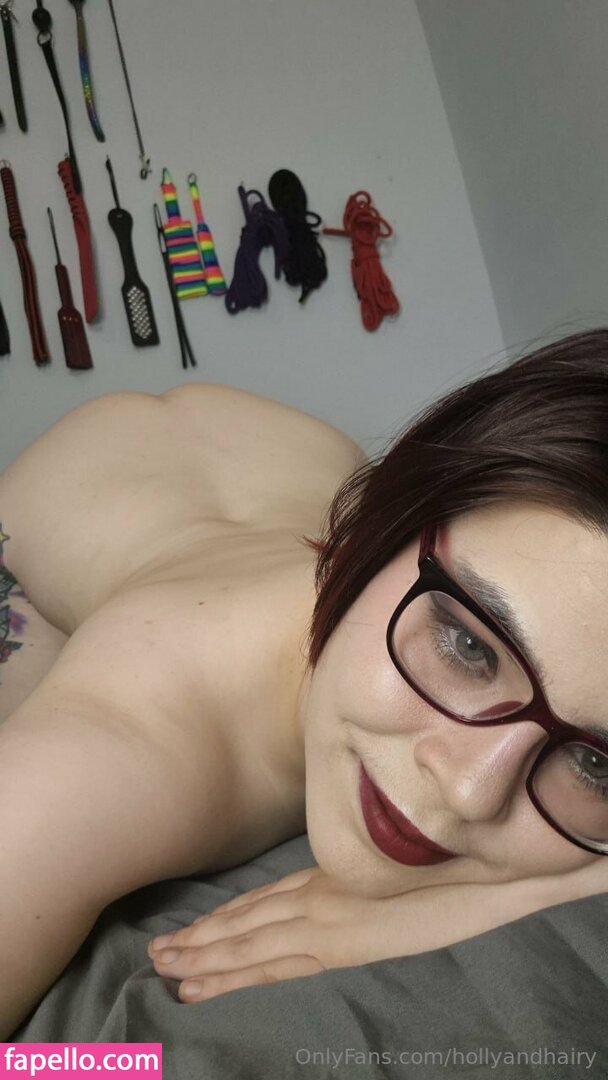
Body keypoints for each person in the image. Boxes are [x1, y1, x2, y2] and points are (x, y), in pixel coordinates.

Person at [1, 327, 607, 1036]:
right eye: (468, 646)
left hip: (278, 463)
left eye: (595, 763)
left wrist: (485, 903)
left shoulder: (442, 559)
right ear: (373, 533)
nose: (469, 792)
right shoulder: (107, 756)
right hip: (88, 484)